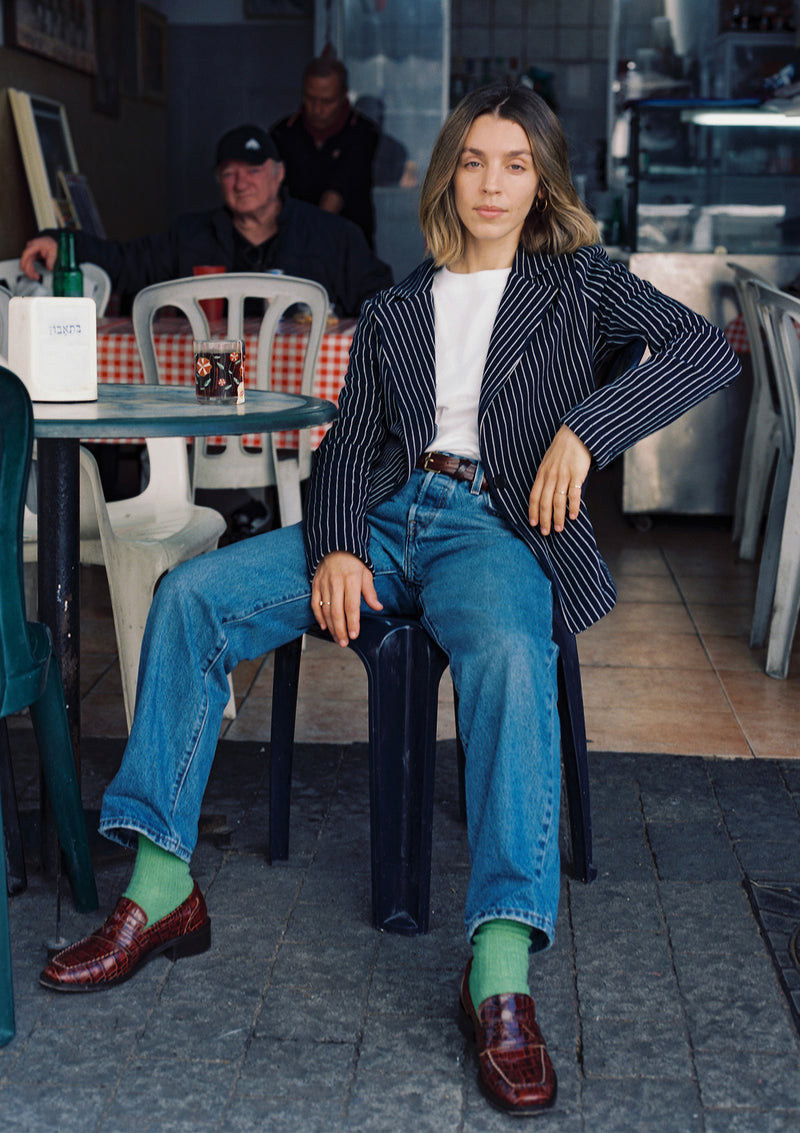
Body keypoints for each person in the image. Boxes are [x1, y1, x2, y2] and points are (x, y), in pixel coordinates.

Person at [38, 84, 739, 1116]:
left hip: (493, 526)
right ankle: (159, 890)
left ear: (540, 178)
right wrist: (329, 545)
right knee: (191, 595)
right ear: (447, 171)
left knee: (508, 651)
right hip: (378, 519)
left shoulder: (580, 282)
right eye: (473, 160)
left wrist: (583, 431)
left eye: (514, 162)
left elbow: (701, 349)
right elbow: (347, 448)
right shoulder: (402, 304)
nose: (492, 182)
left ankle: (497, 969)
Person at [19, 124, 392, 318]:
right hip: (211, 392)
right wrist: (61, 241)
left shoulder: (332, 235)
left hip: (304, 391)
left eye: (254, 170)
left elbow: (381, 300)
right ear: (218, 181)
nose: (241, 182)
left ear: (279, 174)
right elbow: (126, 262)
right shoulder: (191, 235)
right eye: (229, 173)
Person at [270, 57, 379, 247]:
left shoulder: (362, 132)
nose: (318, 109)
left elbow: (335, 195)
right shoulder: (283, 133)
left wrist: (309, 242)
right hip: (293, 241)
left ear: (344, 95)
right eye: (311, 99)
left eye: (327, 101)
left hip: (350, 245)